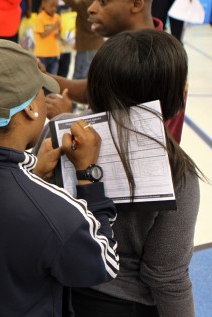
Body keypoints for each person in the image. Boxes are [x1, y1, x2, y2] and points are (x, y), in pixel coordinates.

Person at [0, 39, 119, 317]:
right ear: (31, 109)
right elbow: (105, 262)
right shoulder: (58, 215)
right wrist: (88, 175)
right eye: (41, 92)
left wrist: (32, 174)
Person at [62, 30, 200, 317]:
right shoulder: (177, 172)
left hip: (56, 290)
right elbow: (167, 275)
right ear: (174, 97)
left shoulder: (62, 134)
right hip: (125, 303)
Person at [47, 0, 187, 144]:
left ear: (136, 5)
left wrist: (66, 119)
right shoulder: (129, 49)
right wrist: (44, 78)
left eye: (103, 1)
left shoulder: (151, 60)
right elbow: (98, 89)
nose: (91, 8)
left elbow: (123, 143)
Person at [55, 0, 103, 80]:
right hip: (98, 45)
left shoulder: (86, 5)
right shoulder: (103, 5)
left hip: (85, 46)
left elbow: (70, 2)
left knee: (79, 75)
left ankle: (74, 96)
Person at [34, 0, 61, 74]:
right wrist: (54, 27)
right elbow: (42, 35)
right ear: (43, 4)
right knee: (43, 78)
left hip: (54, 53)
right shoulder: (40, 18)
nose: (54, 9)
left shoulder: (57, 17)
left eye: (56, 6)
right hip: (42, 55)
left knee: (53, 79)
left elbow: (59, 34)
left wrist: (58, 35)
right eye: (52, 6)